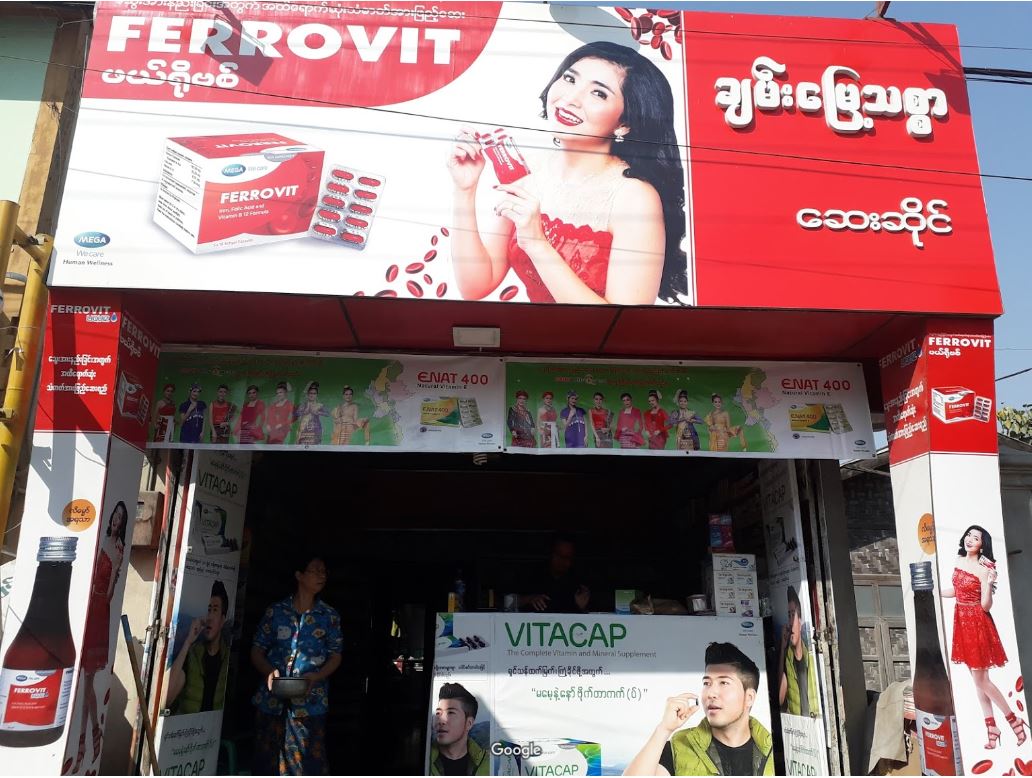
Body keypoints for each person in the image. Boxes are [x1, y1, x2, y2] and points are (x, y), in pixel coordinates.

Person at [447, 41, 687, 305]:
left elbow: (626, 323)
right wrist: (465, 190)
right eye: (570, 79)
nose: (571, 98)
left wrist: (537, 244)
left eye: (599, 93)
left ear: (624, 124)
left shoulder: (634, 198)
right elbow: (476, 286)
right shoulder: (530, 172)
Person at [251, 554, 343, 775]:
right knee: (266, 762)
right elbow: (256, 650)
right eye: (316, 570)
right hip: (271, 701)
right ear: (299, 575)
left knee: (307, 764)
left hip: (310, 703)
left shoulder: (329, 616)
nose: (322, 575)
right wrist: (269, 671)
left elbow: (336, 656)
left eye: (324, 572)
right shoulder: (276, 611)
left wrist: (317, 676)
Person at [625, 642, 774, 776]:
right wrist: (664, 729)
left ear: (749, 697)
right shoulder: (679, 746)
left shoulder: (774, 751)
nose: (711, 693)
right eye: (707, 683)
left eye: (723, 683)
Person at [941, 525, 1026, 748]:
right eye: (968, 535)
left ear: (982, 544)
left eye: (976, 538)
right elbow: (956, 591)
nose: (970, 539)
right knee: (977, 681)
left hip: (977, 623)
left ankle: (1013, 720)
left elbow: (986, 606)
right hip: (962, 622)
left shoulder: (985, 568)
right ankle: (991, 726)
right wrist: (934, 591)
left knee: (982, 680)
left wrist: (988, 583)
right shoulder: (959, 560)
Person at [72, 501, 127, 772]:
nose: (116, 520)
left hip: (98, 612)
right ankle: (93, 734)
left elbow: (110, 591)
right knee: (87, 682)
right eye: (115, 515)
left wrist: (99, 594)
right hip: (86, 607)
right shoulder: (99, 539)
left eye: (120, 517)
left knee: (87, 681)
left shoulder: (117, 549)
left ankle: (82, 746)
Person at [166, 580, 231, 715]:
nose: (209, 617)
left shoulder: (226, 657)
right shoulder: (193, 654)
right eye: (208, 610)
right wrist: (188, 642)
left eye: (214, 610)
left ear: (223, 619)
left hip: (210, 725)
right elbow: (167, 698)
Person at [519, 533, 590, 613]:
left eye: (567, 557)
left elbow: (593, 615)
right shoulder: (531, 575)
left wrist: (582, 608)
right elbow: (510, 602)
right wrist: (528, 599)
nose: (562, 560)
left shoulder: (579, 584)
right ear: (550, 553)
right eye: (558, 554)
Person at [429, 683, 489, 776]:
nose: (441, 721)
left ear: (469, 723)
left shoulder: (487, 764)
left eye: (450, 713)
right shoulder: (425, 758)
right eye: (438, 713)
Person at [777, 586, 819, 717]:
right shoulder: (788, 658)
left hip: (816, 721)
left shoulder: (812, 654)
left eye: (793, 615)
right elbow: (780, 698)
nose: (790, 622)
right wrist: (783, 649)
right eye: (788, 616)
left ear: (800, 621)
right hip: (799, 724)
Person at [294, 381, 329, 445]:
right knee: (301, 446)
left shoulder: (319, 405)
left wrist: (318, 412)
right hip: (304, 429)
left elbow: (327, 413)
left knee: (315, 446)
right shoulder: (303, 405)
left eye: (314, 393)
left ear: (316, 395)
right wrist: (304, 412)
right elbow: (296, 413)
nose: (312, 395)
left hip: (315, 428)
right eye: (310, 393)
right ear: (308, 394)